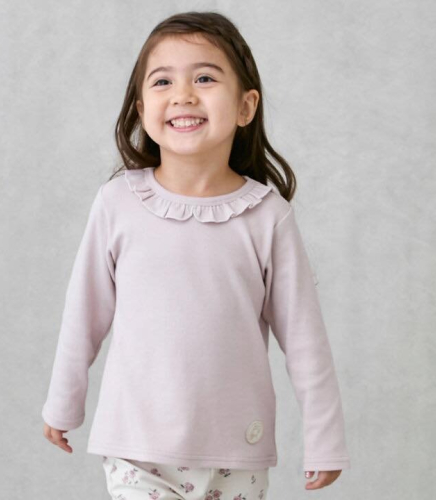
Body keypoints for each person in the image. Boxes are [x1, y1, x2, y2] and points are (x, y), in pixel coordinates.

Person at [42, 10, 351, 498]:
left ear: (246, 106)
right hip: (136, 449)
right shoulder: (118, 203)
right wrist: (63, 403)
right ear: (142, 107)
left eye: (204, 78)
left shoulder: (267, 216)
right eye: (163, 81)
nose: (183, 94)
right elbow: (83, 313)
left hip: (236, 455)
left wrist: (325, 439)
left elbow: (305, 340)